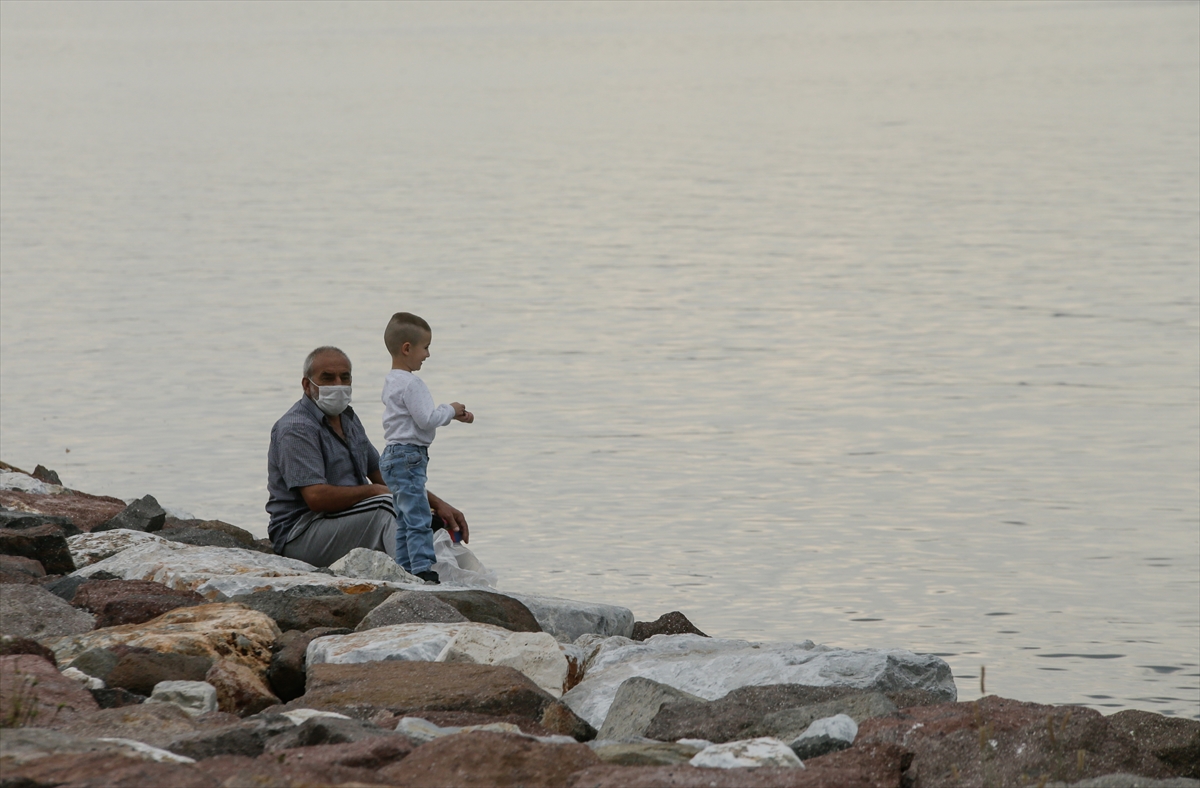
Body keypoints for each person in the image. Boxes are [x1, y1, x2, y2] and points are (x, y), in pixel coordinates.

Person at [266, 345, 468, 568]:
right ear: (307, 385)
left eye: (344, 378)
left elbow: (383, 474)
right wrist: (373, 491)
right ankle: (418, 579)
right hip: (301, 534)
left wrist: (438, 504)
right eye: (328, 378)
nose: (338, 385)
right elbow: (316, 498)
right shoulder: (296, 428)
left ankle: (458, 580)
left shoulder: (348, 418)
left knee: (423, 512)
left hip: (348, 521)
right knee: (386, 506)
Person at [380, 313, 473, 584]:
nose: (428, 355)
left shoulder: (391, 380)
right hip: (409, 456)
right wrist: (451, 409)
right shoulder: (412, 383)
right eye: (425, 348)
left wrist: (452, 416)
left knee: (404, 516)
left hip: (393, 455)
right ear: (407, 348)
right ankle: (423, 569)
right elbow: (427, 419)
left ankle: (405, 565)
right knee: (419, 515)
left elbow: (412, 418)